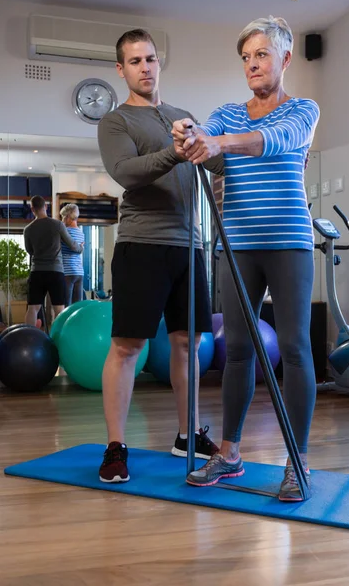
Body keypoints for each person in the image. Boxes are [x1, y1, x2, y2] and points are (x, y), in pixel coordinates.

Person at [172, 16, 320, 501]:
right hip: (236, 245)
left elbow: (272, 142)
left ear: (284, 58)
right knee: (236, 349)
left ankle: (297, 462)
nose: (253, 64)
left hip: (289, 242)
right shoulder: (228, 114)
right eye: (246, 57)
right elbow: (205, 132)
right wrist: (189, 132)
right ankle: (230, 452)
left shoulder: (302, 110)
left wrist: (218, 143)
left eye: (261, 54)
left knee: (296, 349)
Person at [97, 29, 224, 483]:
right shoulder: (116, 122)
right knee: (129, 346)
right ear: (121, 69)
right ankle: (116, 445)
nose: (145, 67)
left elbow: (215, 162)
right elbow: (126, 173)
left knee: (188, 343)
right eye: (134, 61)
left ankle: (187, 436)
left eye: (150, 59)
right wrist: (173, 151)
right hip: (142, 244)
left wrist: (225, 150)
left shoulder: (183, 117)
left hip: (189, 245)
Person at [23, 195, 84, 327]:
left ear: (32, 209)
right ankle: (58, 340)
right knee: (59, 309)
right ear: (46, 206)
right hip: (55, 272)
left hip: (37, 272)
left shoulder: (27, 229)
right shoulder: (58, 224)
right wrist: (80, 248)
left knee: (33, 308)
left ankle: (30, 338)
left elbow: (29, 251)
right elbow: (72, 245)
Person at [60, 204, 85, 306]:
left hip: (67, 272)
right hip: (79, 272)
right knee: (77, 306)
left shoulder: (65, 232)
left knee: (66, 305)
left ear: (68, 217)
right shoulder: (81, 233)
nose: (63, 220)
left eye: (63, 217)